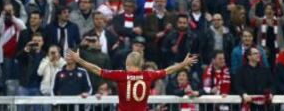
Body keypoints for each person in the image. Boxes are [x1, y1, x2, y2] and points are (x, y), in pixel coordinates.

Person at [66, 49, 197, 111]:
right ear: (141, 64)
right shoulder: (148, 75)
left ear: (127, 63)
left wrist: (79, 60)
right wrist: (182, 64)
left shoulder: (121, 75)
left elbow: (97, 70)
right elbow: (168, 70)